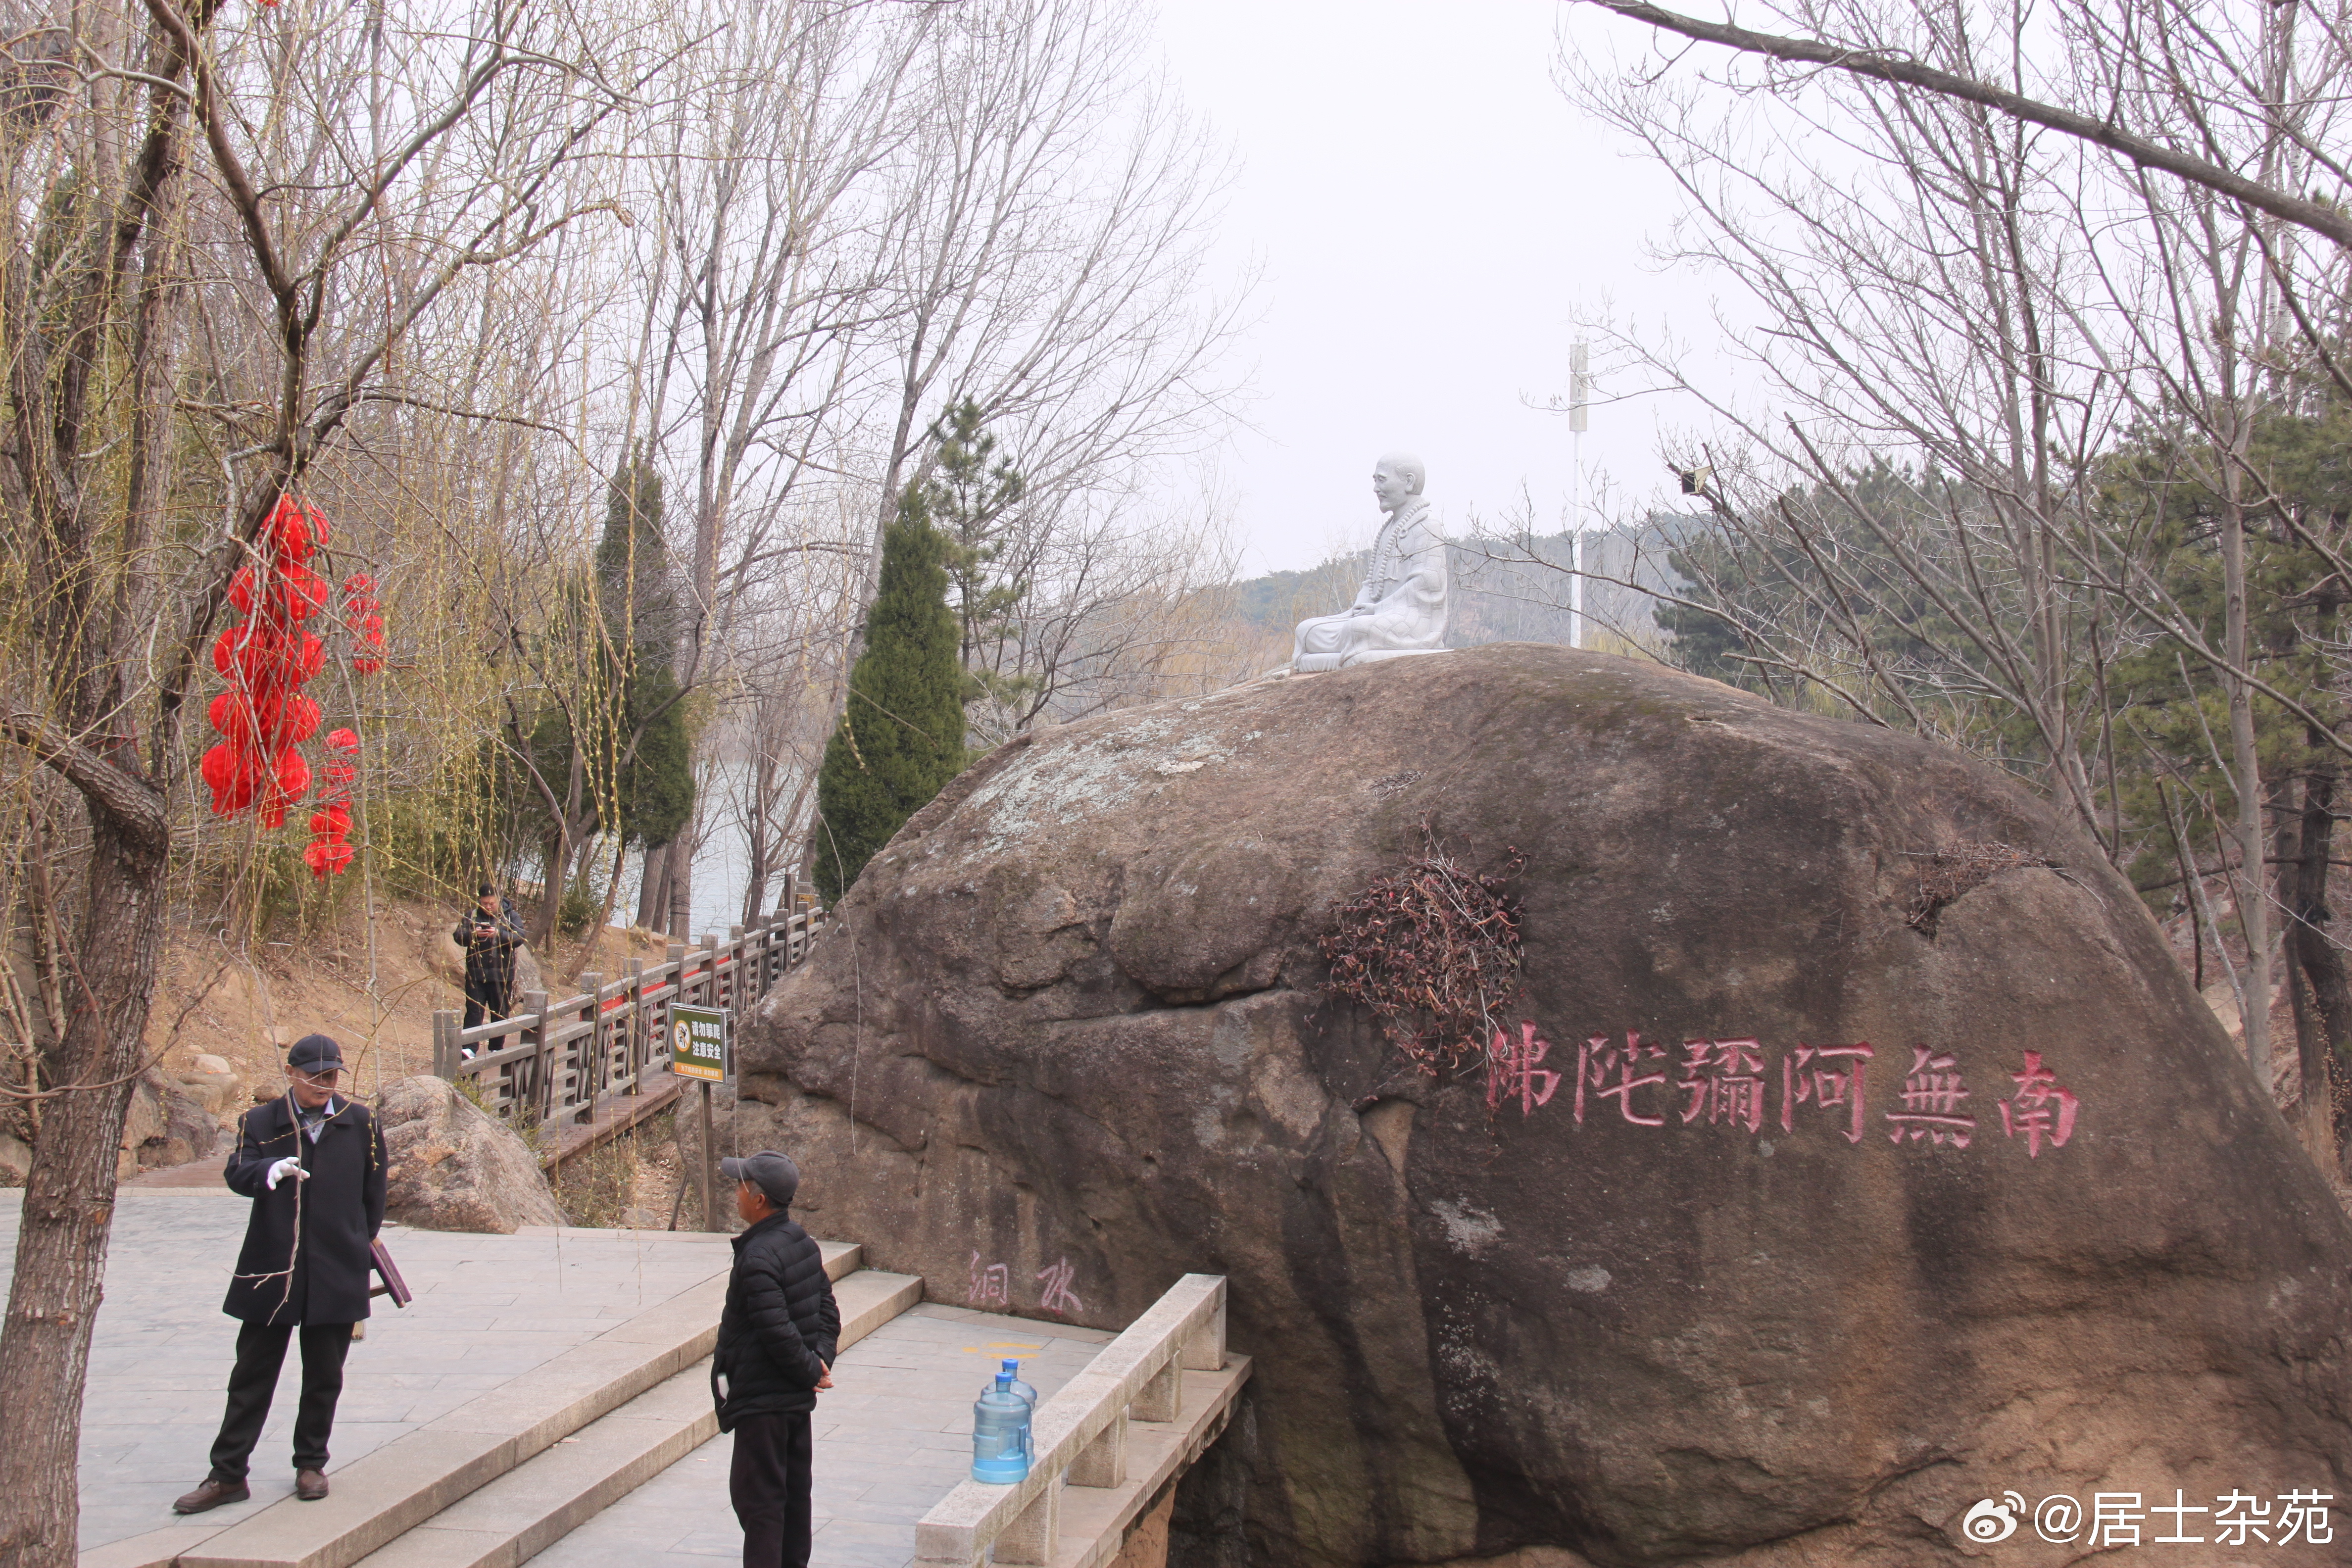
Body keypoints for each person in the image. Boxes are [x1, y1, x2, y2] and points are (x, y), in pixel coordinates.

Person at [173, 1034, 388, 1514]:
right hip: (272, 1270)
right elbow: (238, 1172)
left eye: (331, 1076)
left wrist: (353, 1242)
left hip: (336, 1267)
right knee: (251, 1375)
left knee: (324, 1376)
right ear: (291, 1073)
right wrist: (266, 1171)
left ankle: (311, 1463)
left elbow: (374, 1196)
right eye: (313, 1076)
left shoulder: (360, 1123)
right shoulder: (260, 1122)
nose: (323, 1085)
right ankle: (228, 1474)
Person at [713, 1150, 837, 1568]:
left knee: (761, 1504)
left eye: (741, 1185)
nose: (737, 1193)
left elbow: (775, 1330)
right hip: (793, 1399)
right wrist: (820, 1361)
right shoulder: (800, 1241)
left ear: (759, 1199)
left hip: (765, 1401)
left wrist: (810, 1369)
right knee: (793, 1500)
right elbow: (828, 1313)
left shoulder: (758, 1257)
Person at [1289, 452, 1451, 671]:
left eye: (1382, 480)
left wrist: (1378, 610)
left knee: (1357, 630)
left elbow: (1426, 586)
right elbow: (1372, 584)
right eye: (1375, 480)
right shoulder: (1389, 529)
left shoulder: (1427, 525)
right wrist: (1361, 607)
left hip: (1412, 621)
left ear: (1409, 481)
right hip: (1377, 615)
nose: (1376, 489)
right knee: (1308, 630)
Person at [454, 882, 528, 1055]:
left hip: (501, 975)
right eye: (484, 903)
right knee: (473, 1012)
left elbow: (519, 938)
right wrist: (473, 934)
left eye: (491, 904)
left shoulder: (511, 917)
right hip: (476, 974)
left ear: (499, 901)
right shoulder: (471, 916)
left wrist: (499, 934)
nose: (488, 907)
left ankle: (496, 1048)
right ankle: (469, 1049)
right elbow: (458, 936)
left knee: (500, 1013)